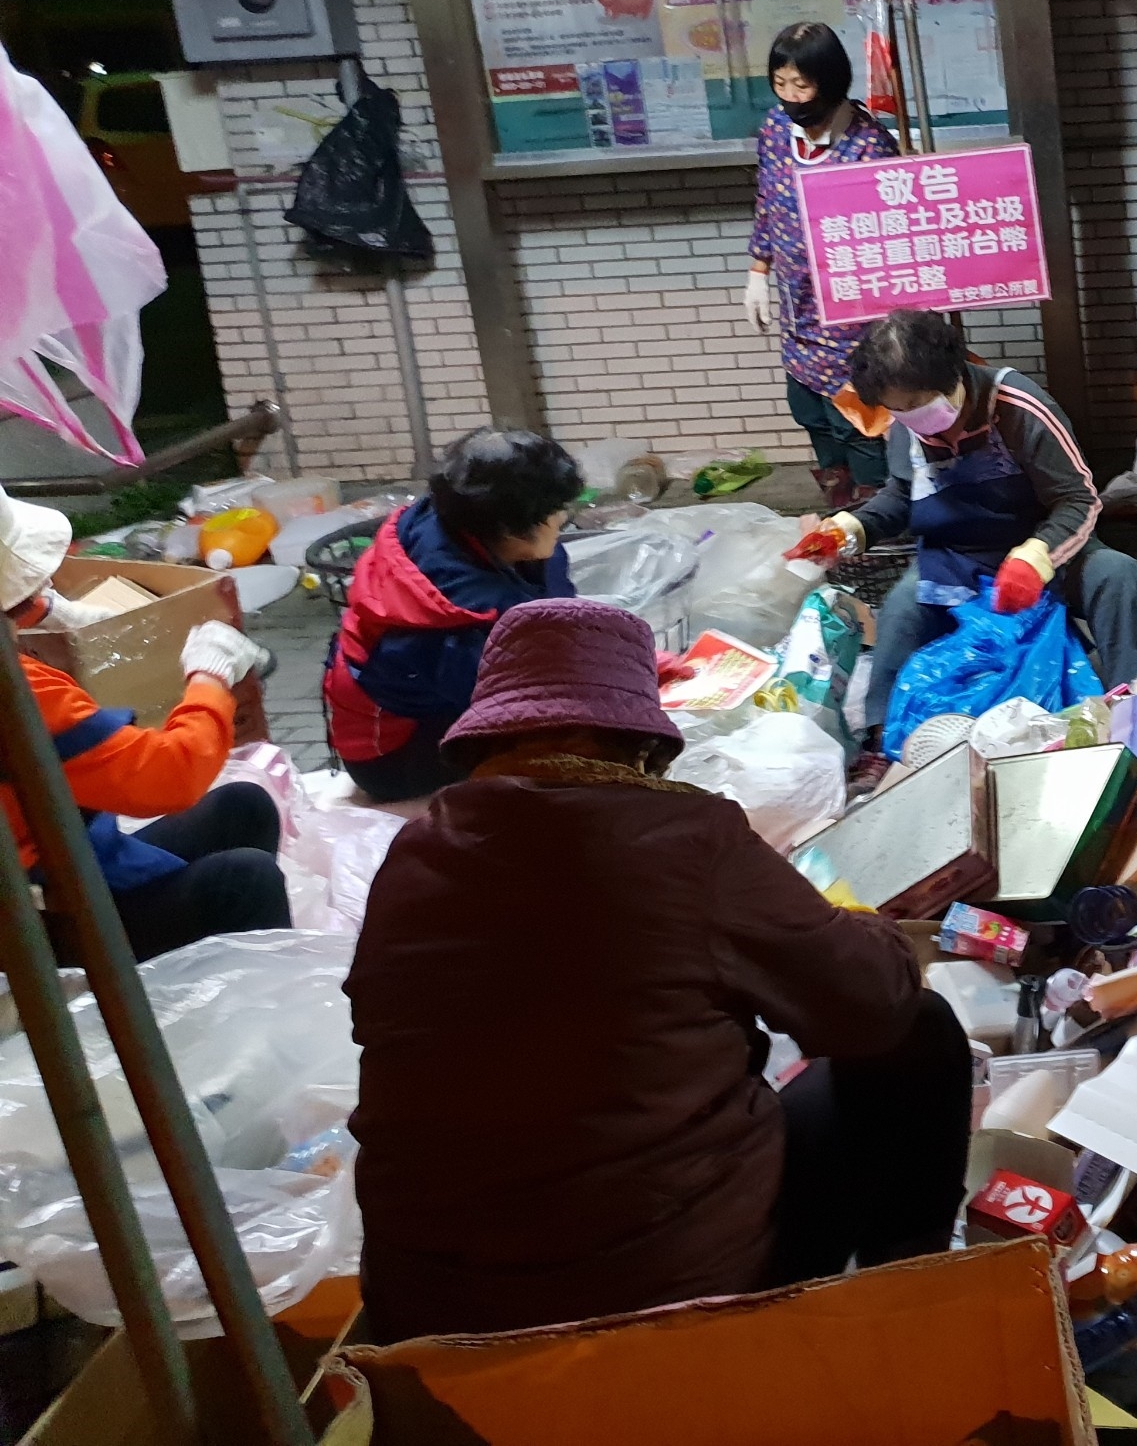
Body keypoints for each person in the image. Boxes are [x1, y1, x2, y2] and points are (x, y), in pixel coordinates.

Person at [345, 599, 968, 1342]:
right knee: (919, 1029)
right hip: (657, 1309)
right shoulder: (687, 839)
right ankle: (917, 1305)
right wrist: (862, 924)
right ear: (637, 740)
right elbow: (871, 1002)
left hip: (430, 1315)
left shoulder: (414, 854)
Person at [803, 311, 1137, 746]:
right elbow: (901, 495)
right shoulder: (906, 425)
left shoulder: (1020, 407)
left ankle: (1136, 710)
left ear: (955, 376)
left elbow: (1078, 500)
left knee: (1116, 575)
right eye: (898, 408)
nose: (909, 416)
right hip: (955, 560)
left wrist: (1037, 556)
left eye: (917, 402)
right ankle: (883, 737)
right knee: (901, 610)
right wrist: (849, 529)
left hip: (1042, 549)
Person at [1, 487, 287, 962]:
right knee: (245, 880)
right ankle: (238, 1002)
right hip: (35, 918)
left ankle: (215, 968)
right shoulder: (20, 691)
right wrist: (210, 674)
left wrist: (37, 609)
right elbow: (171, 775)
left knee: (243, 805)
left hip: (58, 855)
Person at [325, 428, 580, 804]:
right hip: (394, 752)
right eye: (554, 511)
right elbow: (514, 704)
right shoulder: (450, 621)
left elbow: (559, 624)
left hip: (445, 699)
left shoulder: (467, 523)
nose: (563, 517)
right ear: (509, 527)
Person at [743, 22, 900, 512]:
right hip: (798, 304)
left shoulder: (869, 144)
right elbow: (767, 200)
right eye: (780, 83)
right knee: (808, 408)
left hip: (855, 312)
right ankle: (838, 494)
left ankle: (876, 514)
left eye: (802, 85)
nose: (790, 97)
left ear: (829, 82)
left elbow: (894, 229)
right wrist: (758, 271)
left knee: (853, 417)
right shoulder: (775, 129)